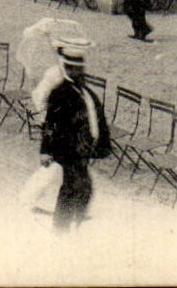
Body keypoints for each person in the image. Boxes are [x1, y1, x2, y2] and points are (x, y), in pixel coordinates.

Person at [38, 39, 111, 231]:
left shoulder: (84, 92)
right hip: (68, 148)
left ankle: (69, 223)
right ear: (67, 69)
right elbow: (50, 122)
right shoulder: (60, 93)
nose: (78, 73)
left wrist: (100, 143)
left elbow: (96, 116)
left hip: (82, 148)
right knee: (77, 187)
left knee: (79, 187)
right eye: (73, 69)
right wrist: (45, 150)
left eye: (80, 69)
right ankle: (63, 227)